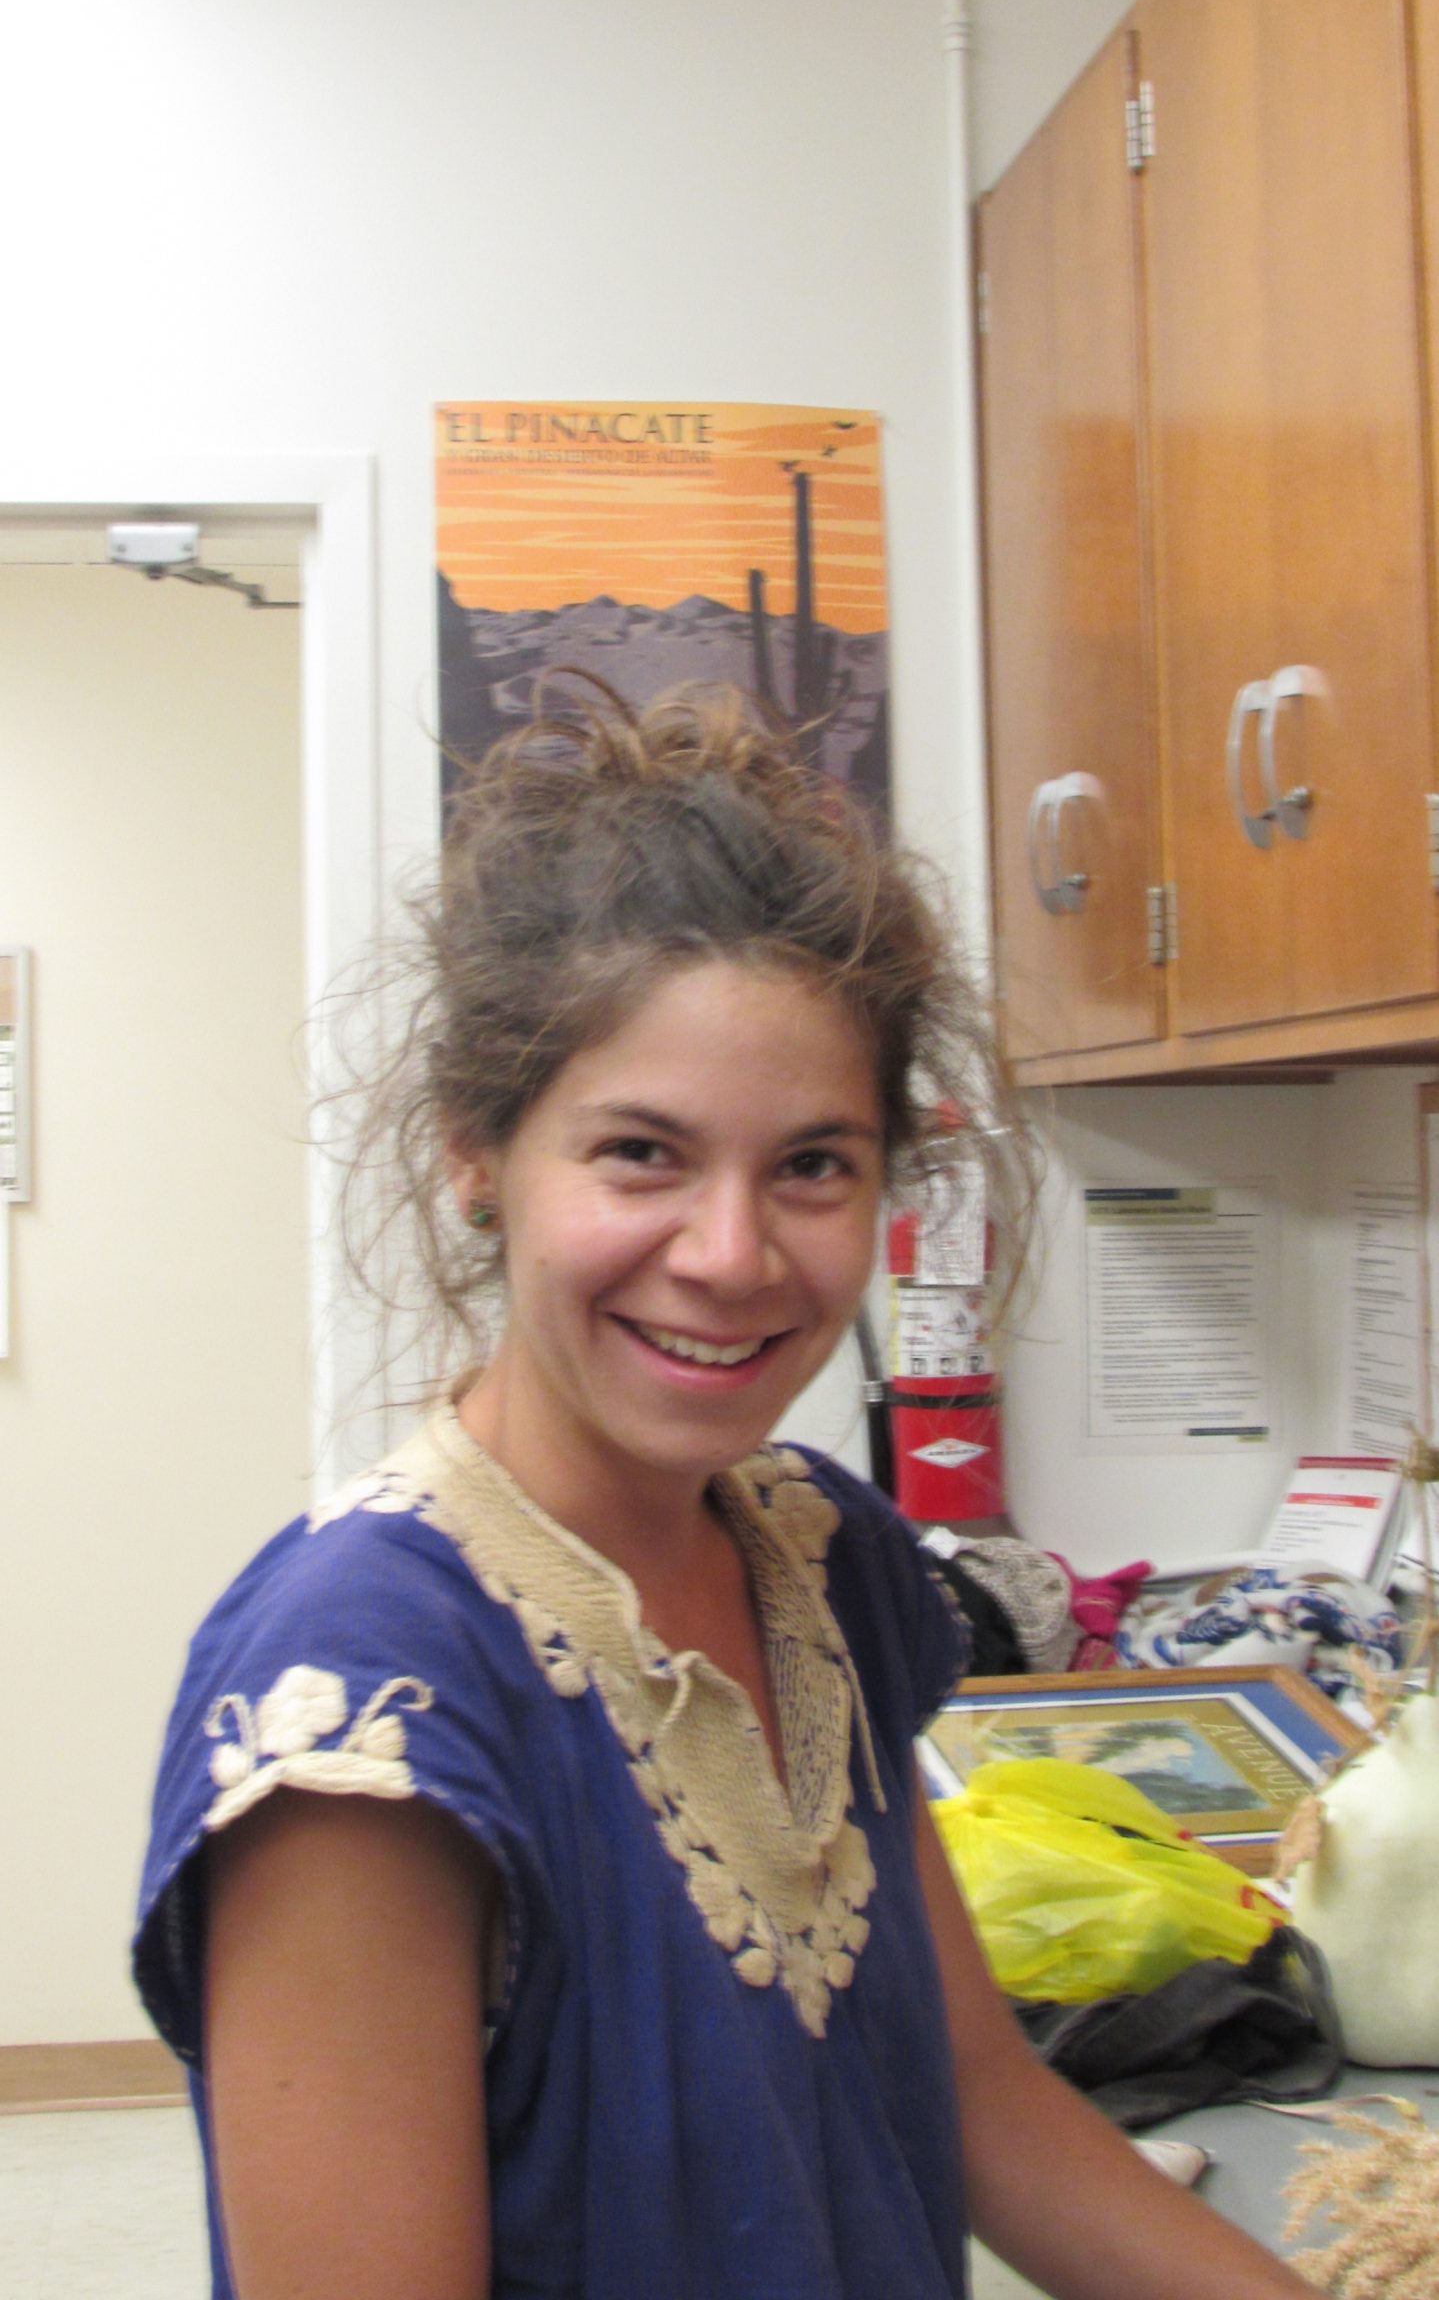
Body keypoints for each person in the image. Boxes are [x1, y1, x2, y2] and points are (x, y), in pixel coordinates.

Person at [134, 681, 1317, 2300]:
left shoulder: (824, 1557)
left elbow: (987, 2116)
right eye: (641, 1152)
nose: (733, 1254)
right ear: (477, 1153)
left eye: (813, 1164)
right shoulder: (364, 1707)